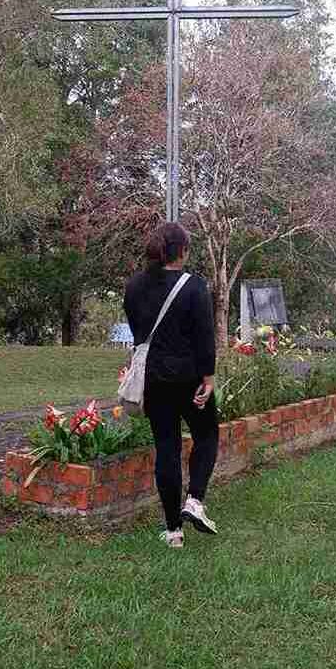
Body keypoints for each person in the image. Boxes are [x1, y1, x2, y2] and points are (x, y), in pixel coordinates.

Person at [123, 222, 219, 549]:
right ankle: (194, 500)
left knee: (167, 448)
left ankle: (173, 531)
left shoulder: (134, 286)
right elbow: (205, 337)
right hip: (189, 377)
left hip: (154, 379)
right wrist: (208, 378)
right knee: (206, 434)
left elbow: (138, 332)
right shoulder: (194, 286)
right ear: (183, 251)